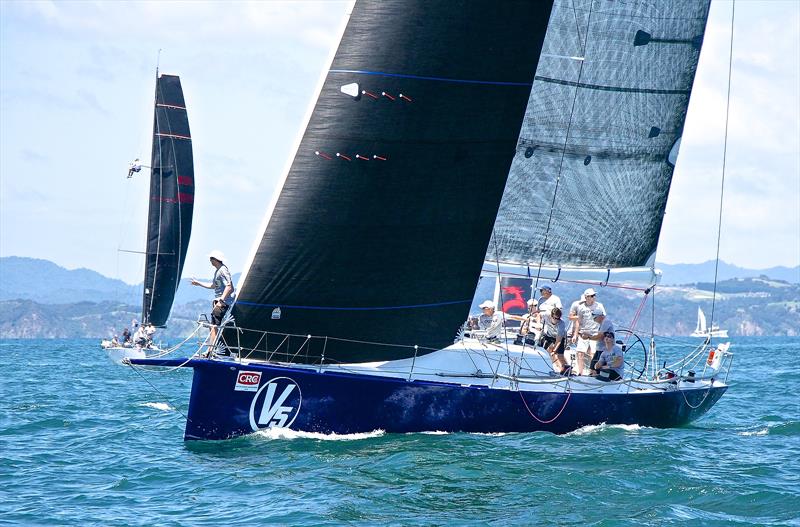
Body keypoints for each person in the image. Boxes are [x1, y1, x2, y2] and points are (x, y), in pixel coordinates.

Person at [191, 250, 235, 354]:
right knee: (213, 326)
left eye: (211, 258)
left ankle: (210, 350)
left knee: (214, 326)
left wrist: (221, 301)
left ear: (215, 259)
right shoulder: (218, 271)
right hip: (219, 301)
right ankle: (210, 349)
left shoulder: (223, 270)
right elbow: (213, 286)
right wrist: (198, 283)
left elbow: (229, 287)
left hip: (222, 303)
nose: (210, 261)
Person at [571, 288, 605, 375]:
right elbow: (578, 321)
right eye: (592, 296)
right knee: (580, 353)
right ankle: (580, 372)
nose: (594, 297)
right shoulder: (581, 307)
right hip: (583, 333)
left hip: (595, 333)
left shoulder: (599, 306)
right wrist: (575, 335)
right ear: (587, 297)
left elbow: (603, 318)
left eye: (594, 295)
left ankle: (592, 372)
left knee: (593, 353)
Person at [540, 307, 569, 375]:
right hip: (549, 335)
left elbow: (558, 340)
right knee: (543, 351)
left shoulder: (561, 324)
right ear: (551, 316)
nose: (556, 320)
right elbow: (539, 313)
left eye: (558, 318)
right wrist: (538, 323)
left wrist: (554, 350)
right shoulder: (546, 315)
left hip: (559, 337)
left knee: (560, 355)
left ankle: (567, 369)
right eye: (554, 318)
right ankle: (546, 367)